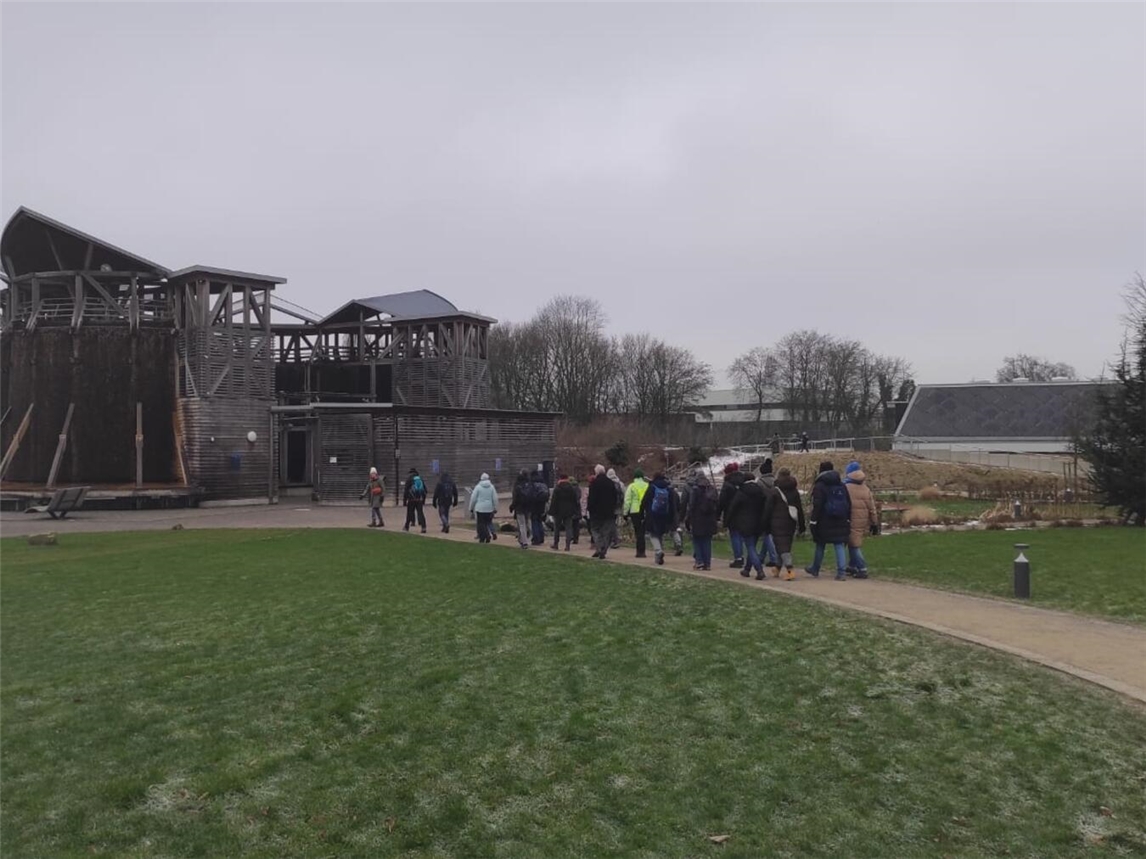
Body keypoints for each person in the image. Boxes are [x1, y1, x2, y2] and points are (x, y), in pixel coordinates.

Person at [805, 460, 851, 580]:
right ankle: (841, 572)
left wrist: (813, 520)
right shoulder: (841, 485)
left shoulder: (820, 486)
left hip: (824, 519)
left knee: (820, 544)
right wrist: (848, 518)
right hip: (841, 518)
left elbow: (817, 505)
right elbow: (848, 503)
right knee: (839, 544)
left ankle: (815, 568)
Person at [764, 466, 805, 580]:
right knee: (784, 545)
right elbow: (799, 509)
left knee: (782, 547)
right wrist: (802, 525)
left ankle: (790, 569)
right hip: (791, 521)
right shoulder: (795, 491)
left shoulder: (775, 491)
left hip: (777, 522)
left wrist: (764, 523)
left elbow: (768, 509)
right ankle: (777, 568)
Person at [727, 471, 769, 579]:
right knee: (752, 546)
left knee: (750, 547)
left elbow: (733, 507)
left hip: (745, 523)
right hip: (758, 522)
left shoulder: (741, 492)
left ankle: (759, 570)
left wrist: (727, 520)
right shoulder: (760, 491)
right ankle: (747, 569)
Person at [844, 460, 879, 579]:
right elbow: (872, 507)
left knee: (853, 544)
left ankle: (862, 568)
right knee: (853, 541)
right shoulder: (866, 488)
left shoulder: (845, 487)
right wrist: (874, 522)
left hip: (850, 518)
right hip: (863, 520)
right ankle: (852, 565)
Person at [640, 471, 678, 565]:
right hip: (664, 515)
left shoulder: (652, 487)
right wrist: (672, 517)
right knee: (660, 534)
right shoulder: (668, 488)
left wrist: (641, 512)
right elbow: (672, 504)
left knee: (653, 534)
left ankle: (658, 551)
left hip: (652, 514)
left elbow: (644, 501)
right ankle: (659, 556)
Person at [717, 462, 751, 568]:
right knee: (743, 536)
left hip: (731, 512)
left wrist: (718, 514)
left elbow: (721, 501)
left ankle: (738, 557)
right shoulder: (743, 482)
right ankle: (748, 556)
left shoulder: (727, 484)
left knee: (735, 535)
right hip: (744, 512)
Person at [686, 473, 720, 570]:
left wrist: (688, 519)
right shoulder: (712, 489)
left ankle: (699, 561)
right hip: (710, 519)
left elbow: (691, 505)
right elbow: (717, 504)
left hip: (697, 518)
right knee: (707, 542)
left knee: (697, 541)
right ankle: (707, 563)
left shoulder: (695, 489)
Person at [587, 464, 618, 559]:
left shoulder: (594, 483)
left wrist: (589, 509)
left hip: (596, 512)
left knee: (595, 530)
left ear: (596, 472)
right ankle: (603, 549)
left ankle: (599, 547)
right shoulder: (610, 483)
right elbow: (615, 497)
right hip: (608, 512)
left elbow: (591, 498)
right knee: (606, 532)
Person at [757, 459, 781, 570]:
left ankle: (773, 557)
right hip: (775, 510)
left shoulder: (760, 483)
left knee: (766, 534)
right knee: (768, 534)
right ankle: (761, 556)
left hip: (763, 510)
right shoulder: (776, 482)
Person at [547, 473, 580, 551]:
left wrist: (551, 511)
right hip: (568, 511)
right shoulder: (571, 488)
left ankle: (556, 544)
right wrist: (575, 510)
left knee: (557, 528)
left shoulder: (557, 488)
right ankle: (567, 545)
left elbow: (554, 501)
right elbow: (574, 500)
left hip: (558, 511)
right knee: (568, 528)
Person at [623, 467, 650, 558]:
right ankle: (643, 550)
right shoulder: (647, 485)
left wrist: (625, 513)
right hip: (646, 510)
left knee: (637, 531)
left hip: (635, 510)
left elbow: (627, 501)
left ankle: (639, 551)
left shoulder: (632, 486)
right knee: (643, 531)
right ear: (642, 477)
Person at [468, 472, 498, 543]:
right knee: (488, 522)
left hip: (480, 508)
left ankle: (484, 537)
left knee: (481, 525)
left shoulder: (478, 487)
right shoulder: (492, 487)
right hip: (489, 508)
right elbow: (495, 498)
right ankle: (487, 536)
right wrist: (495, 508)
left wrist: (471, 508)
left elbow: (473, 498)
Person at [510, 469, 532, 549]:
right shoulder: (529, 484)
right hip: (528, 507)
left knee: (522, 525)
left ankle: (524, 541)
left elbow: (515, 498)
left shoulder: (517, 485)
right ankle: (527, 536)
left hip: (520, 507)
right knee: (528, 523)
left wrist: (512, 506)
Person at [402, 468, 428, 533]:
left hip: (411, 499)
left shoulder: (409, 479)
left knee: (409, 513)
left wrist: (404, 501)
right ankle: (423, 527)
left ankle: (406, 526)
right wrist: (423, 500)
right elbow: (425, 490)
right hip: (419, 499)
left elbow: (406, 491)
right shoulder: (420, 479)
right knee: (420, 513)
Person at [606, 467, 626, 549]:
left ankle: (614, 540)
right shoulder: (620, 483)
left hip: (609, 506)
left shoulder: (607, 483)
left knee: (610, 524)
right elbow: (624, 494)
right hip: (618, 506)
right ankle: (613, 540)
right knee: (613, 523)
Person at [529, 469, 550, 545]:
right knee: (540, 521)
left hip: (534, 505)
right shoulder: (543, 484)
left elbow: (530, 495)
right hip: (542, 505)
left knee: (534, 522)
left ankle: (536, 539)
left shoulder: (532, 484)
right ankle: (541, 538)